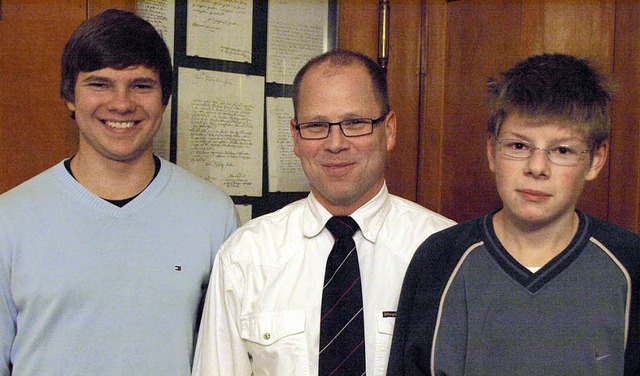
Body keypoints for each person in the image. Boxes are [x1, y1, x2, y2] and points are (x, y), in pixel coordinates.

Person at [0, 9, 238, 376]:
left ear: (164, 98)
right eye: (99, 84)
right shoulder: (10, 218)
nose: (122, 103)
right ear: (69, 97)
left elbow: (226, 359)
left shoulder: (212, 213)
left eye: (142, 85)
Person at [191, 49, 455, 375]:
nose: (335, 143)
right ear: (296, 137)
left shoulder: (444, 251)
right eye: (317, 125)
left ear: (389, 129)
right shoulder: (246, 257)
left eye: (355, 123)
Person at [387, 53, 640, 375]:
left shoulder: (630, 265)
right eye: (519, 146)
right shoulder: (440, 259)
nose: (536, 168)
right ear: (492, 151)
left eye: (562, 150)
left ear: (595, 160)